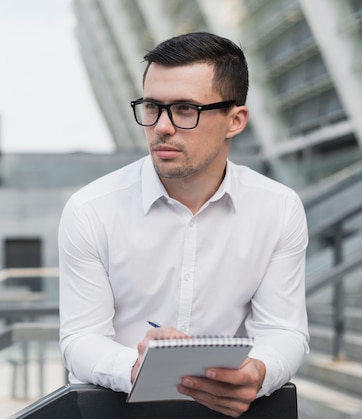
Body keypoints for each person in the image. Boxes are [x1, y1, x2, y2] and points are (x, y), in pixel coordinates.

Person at [58, 32, 309, 418]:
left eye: (186, 110)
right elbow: (80, 337)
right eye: (153, 107)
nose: (161, 126)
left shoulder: (278, 208)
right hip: (115, 408)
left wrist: (259, 371)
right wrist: (133, 368)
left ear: (235, 120)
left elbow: (284, 330)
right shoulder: (91, 209)